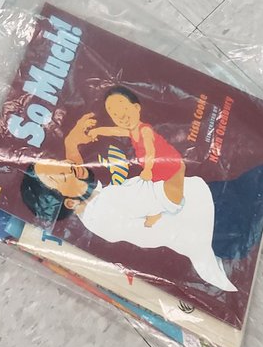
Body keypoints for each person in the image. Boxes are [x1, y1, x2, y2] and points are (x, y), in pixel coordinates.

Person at [20, 113, 237, 293]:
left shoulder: (90, 212)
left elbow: (74, 173)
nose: (68, 165)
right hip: (217, 217)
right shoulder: (110, 204)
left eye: (58, 163)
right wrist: (168, 159)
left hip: (204, 229)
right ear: (67, 203)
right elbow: (171, 196)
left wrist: (71, 143)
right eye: (60, 175)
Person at [89, 86, 186, 227]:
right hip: (157, 170)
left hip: (169, 164)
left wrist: (147, 169)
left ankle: (160, 212)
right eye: (115, 114)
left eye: (125, 109)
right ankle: (158, 211)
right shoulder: (131, 131)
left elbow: (150, 150)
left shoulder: (144, 130)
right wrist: (98, 131)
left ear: (136, 107)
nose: (121, 116)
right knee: (153, 193)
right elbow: (114, 131)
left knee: (165, 196)